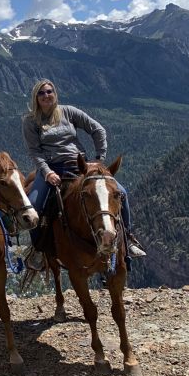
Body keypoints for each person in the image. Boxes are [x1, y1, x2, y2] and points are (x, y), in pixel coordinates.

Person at [21, 79, 146, 271]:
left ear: (55, 93)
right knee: (34, 206)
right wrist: (47, 173)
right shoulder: (30, 121)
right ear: (36, 97)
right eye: (42, 93)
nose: (46, 95)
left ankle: (128, 239)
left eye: (49, 91)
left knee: (120, 193)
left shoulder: (68, 112)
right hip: (51, 168)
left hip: (80, 165)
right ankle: (38, 250)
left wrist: (99, 159)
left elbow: (98, 130)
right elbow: (35, 151)